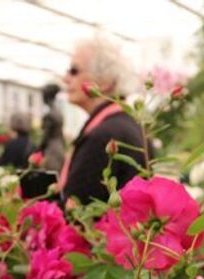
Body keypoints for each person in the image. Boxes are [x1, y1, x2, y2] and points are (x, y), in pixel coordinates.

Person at [61, 36, 147, 205]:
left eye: (74, 70)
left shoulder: (105, 135)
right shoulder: (128, 124)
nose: (65, 78)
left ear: (105, 81)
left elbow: (78, 211)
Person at [38, 83, 66, 172]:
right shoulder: (58, 112)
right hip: (60, 146)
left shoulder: (50, 115)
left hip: (52, 149)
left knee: (51, 175)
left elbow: (45, 137)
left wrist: (37, 150)